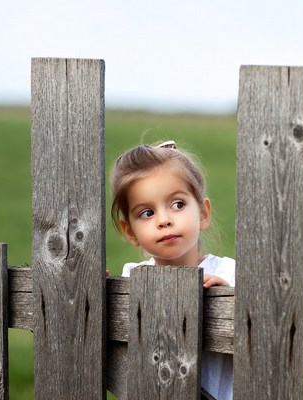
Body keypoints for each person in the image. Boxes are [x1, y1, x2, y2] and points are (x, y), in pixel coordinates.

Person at [110, 140, 235, 399]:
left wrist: (230, 300)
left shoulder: (228, 272)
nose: (164, 220)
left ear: (202, 213)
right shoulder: (132, 279)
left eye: (177, 205)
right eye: (146, 213)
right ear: (130, 232)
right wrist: (100, 301)